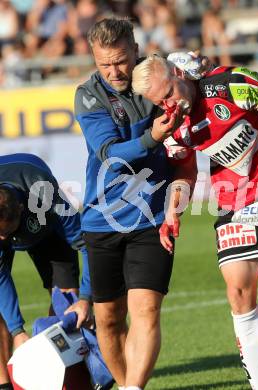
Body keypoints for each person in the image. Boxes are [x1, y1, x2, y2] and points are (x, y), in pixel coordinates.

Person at [131, 55, 258, 390]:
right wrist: (174, 210)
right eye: (160, 101)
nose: (170, 104)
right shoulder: (173, 122)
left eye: (170, 93)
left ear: (177, 73)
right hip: (234, 202)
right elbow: (186, 171)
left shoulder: (234, 85)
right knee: (238, 294)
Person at [74, 18, 197, 390]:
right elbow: (110, 153)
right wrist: (153, 136)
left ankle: (133, 388)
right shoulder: (88, 94)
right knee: (109, 319)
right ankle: (128, 383)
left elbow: (197, 77)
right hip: (102, 219)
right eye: (104, 64)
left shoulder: (158, 80)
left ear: (136, 50)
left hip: (152, 218)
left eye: (121, 61)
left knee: (146, 309)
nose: (113, 71)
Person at [0, 153, 92, 390]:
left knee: (66, 300)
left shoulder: (47, 196)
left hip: (47, 232)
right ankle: (4, 384)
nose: (3, 239)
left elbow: (86, 246)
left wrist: (85, 297)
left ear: (21, 209)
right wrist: (17, 330)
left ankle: (68, 374)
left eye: (5, 233)